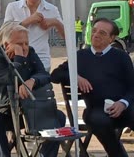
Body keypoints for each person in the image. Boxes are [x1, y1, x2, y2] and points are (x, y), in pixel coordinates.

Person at [0, 22, 64, 157]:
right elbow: (10, 78)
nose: (25, 47)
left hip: (25, 112)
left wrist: (32, 81)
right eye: (20, 44)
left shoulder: (30, 52)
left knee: (59, 117)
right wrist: (19, 58)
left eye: (26, 43)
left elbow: (44, 75)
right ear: (6, 44)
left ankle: (44, 155)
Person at [51, 18, 134, 157]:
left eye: (102, 33)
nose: (96, 35)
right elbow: (55, 75)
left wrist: (123, 103)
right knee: (98, 121)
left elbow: (132, 87)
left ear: (112, 38)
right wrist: (75, 77)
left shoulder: (121, 57)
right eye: (94, 31)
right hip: (96, 110)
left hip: (124, 108)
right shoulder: (80, 56)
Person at [4, 0, 64, 72]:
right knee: (19, 87)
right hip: (17, 58)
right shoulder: (12, 7)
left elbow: (67, 36)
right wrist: (28, 21)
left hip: (42, 61)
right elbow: (5, 33)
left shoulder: (51, 9)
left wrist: (55, 22)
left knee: (39, 85)